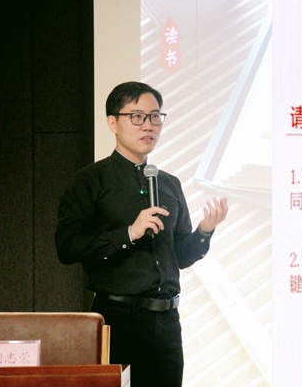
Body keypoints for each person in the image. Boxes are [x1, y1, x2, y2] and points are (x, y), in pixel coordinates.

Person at [55, 81, 228, 387]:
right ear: (113, 123)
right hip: (117, 320)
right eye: (137, 117)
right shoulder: (90, 181)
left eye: (155, 117)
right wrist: (128, 233)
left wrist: (204, 231)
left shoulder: (169, 184)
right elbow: (67, 247)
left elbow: (181, 256)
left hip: (167, 323)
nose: (148, 125)